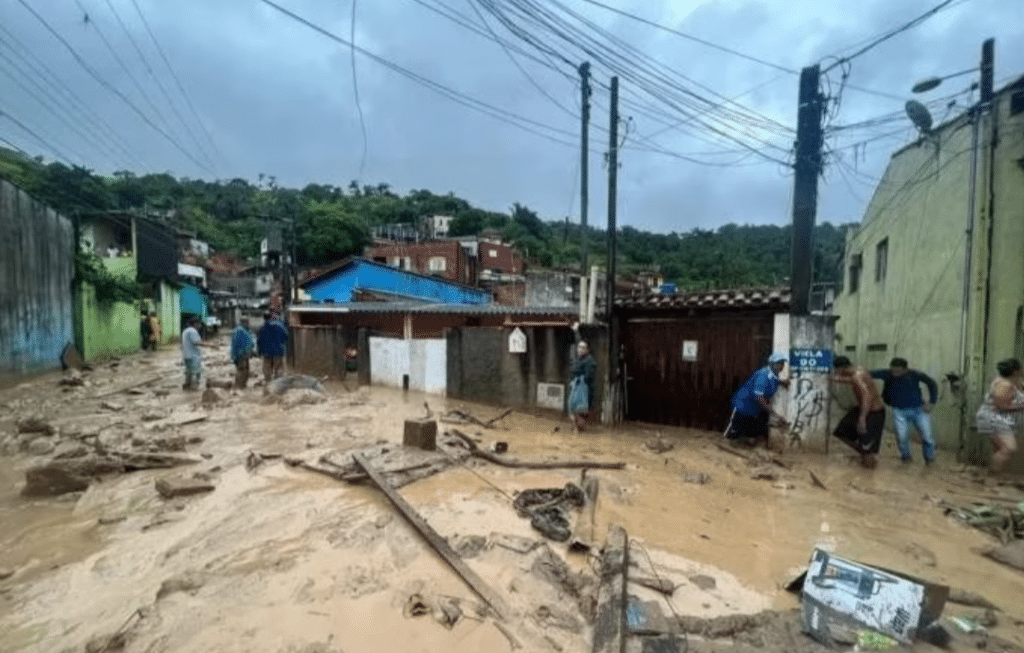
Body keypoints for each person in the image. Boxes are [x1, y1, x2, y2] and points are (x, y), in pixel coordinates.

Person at [870, 358, 939, 464]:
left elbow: (932, 384)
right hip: (899, 411)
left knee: (927, 437)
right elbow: (869, 374)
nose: (895, 373)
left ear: (905, 369)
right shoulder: (887, 374)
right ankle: (906, 458)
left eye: (897, 371)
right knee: (902, 438)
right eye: (893, 370)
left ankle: (929, 460)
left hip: (919, 410)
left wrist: (932, 402)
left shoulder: (915, 374)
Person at [725, 352, 790, 448]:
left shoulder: (773, 376)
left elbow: (774, 381)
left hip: (754, 409)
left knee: (752, 433)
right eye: (779, 363)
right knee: (732, 436)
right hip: (742, 407)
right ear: (772, 364)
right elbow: (758, 397)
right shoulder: (763, 375)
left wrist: (782, 382)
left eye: (782, 363)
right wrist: (774, 414)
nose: (781, 366)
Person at [831, 356, 887, 469]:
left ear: (841, 369)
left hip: (873, 412)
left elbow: (867, 396)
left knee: (868, 448)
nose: (837, 374)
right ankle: (863, 452)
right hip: (861, 409)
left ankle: (869, 473)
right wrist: (835, 379)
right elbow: (855, 382)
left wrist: (862, 419)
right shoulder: (858, 371)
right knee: (841, 432)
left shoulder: (857, 376)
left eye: (837, 372)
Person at [975, 358, 1024, 475]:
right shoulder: (1005, 384)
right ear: (1016, 371)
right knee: (1009, 447)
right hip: (993, 418)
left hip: (994, 419)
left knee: (999, 448)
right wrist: (1021, 406)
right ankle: (992, 475)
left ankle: (995, 475)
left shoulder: (1010, 381)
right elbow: (1001, 405)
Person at [567, 322, 596, 432]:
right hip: (575, 385)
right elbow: (579, 342)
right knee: (571, 408)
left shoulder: (590, 361)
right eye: (579, 348)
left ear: (587, 350)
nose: (580, 349)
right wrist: (576, 331)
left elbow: (589, 376)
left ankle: (579, 427)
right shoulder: (579, 357)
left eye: (583, 348)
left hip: (584, 388)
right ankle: (576, 427)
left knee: (581, 411)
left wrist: (580, 380)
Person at [257, 312, 288, 383]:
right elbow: (286, 336)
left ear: (263, 318)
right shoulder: (279, 326)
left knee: (267, 370)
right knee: (278, 368)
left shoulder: (262, 328)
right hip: (278, 352)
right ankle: (278, 383)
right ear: (271, 317)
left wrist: (259, 352)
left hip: (266, 353)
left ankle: (268, 384)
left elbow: (259, 341)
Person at [180, 318, 209, 391]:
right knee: (195, 373)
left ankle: (187, 388)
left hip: (186, 355)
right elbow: (197, 342)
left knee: (189, 373)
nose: (200, 326)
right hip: (194, 356)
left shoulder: (185, 331)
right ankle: (194, 390)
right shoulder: (193, 331)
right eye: (199, 324)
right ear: (195, 324)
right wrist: (210, 345)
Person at [230, 319, 256, 389]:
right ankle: (239, 386)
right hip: (242, 355)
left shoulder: (239, 330)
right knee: (242, 370)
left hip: (239, 355)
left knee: (244, 370)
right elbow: (249, 343)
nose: (249, 324)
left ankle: (242, 385)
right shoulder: (242, 331)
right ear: (245, 322)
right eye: (248, 322)